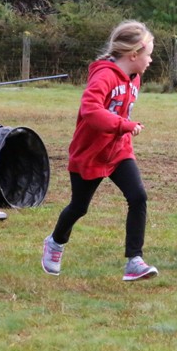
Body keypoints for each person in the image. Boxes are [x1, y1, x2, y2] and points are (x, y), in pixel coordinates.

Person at [41, 20, 159, 281]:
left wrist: (123, 130)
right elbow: (90, 110)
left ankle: (134, 261)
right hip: (90, 153)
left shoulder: (135, 78)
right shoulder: (104, 76)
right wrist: (123, 125)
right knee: (79, 207)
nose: (151, 60)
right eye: (149, 54)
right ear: (133, 54)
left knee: (138, 196)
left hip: (118, 152)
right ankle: (55, 242)